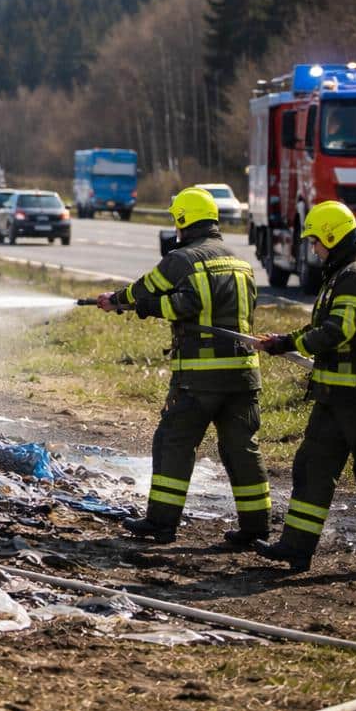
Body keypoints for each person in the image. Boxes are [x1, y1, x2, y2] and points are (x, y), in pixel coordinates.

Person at [97, 187, 270, 547]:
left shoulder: (182, 259)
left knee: (173, 444)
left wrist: (117, 300)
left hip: (200, 379)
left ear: (183, 220)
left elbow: (147, 290)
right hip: (244, 376)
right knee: (241, 451)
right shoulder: (239, 263)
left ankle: (161, 524)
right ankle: (256, 529)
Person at [253, 200, 356, 574]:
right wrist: (286, 339)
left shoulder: (355, 276)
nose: (313, 249)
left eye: (315, 241)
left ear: (331, 235)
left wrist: (290, 343)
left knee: (325, 466)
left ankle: (299, 548)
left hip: (351, 394)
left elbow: (340, 330)